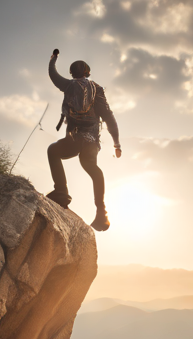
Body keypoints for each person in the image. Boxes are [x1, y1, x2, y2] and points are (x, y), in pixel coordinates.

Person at [47, 50, 121, 231]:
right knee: (92, 168)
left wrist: (53, 59)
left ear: (72, 73)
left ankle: (61, 192)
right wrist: (116, 143)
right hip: (91, 142)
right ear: (88, 73)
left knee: (53, 151)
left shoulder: (68, 85)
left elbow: (52, 74)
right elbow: (109, 117)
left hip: (74, 138)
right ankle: (101, 212)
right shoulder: (98, 90)